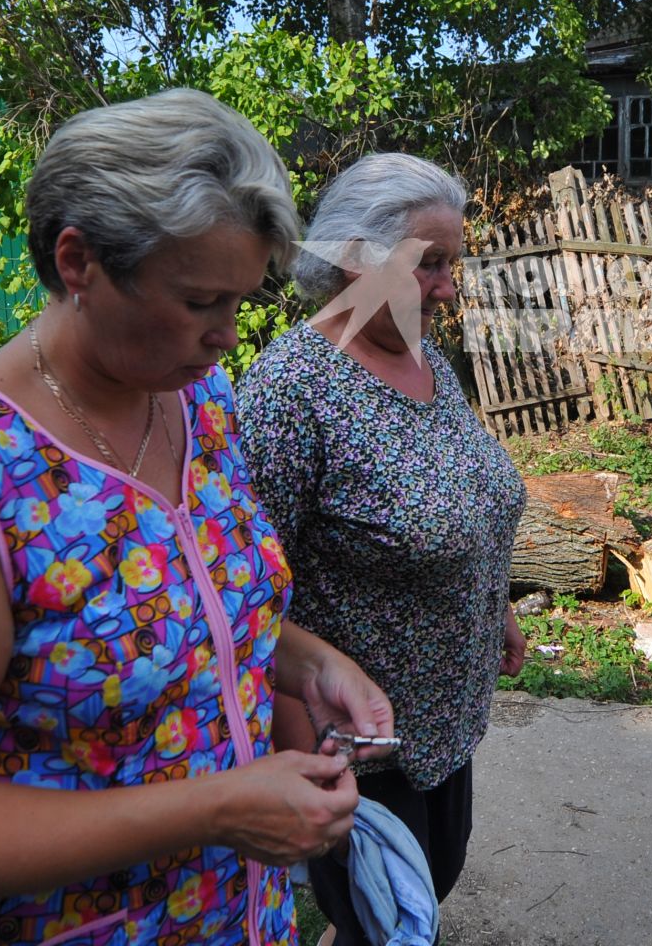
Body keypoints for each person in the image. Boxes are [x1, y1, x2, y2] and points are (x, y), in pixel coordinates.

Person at [0, 88, 394, 946]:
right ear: (79, 261)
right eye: (201, 302)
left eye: (240, 302)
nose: (228, 336)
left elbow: (177, 604)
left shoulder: (199, 402)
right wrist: (214, 809)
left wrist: (304, 663)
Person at [239, 153, 527, 940]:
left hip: (446, 718)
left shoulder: (425, 357)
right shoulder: (289, 391)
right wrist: (312, 773)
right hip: (358, 746)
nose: (447, 286)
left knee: (429, 886)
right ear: (356, 260)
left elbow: (470, 494)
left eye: (451, 263)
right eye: (429, 263)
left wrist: (491, 601)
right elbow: (248, 590)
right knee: (381, 916)